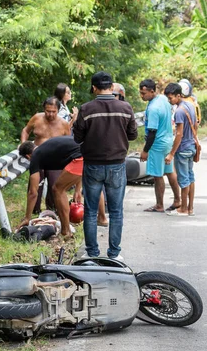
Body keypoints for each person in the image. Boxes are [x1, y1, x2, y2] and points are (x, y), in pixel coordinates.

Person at [73, 71, 138, 261]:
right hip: (117, 165)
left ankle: (92, 253)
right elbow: (133, 135)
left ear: (94, 88)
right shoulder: (125, 108)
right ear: (112, 87)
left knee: (91, 211)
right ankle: (114, 254)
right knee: (116, 211)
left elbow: (77, 138)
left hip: (92, 165)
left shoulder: (86, 109)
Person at [17, 137, 107, 236]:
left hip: (81, 157)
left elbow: (33, 193)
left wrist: (27, 217)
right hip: (93, 152)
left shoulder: (35, 156)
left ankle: (66, 231)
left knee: (58, 189)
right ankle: (102, 218)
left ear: (28, 156)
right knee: (94, 184)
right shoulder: (46, 147)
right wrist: (77, 189)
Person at [20, 97, 71, 212]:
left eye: (54, 111)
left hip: (55, 160)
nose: (50, 114)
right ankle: (34, 210)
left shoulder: (64, 124)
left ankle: (52, 210)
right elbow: (25, 130)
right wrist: (24, 144)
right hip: (38, 158)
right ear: (44, 109)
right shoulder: (37, 118)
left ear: (58, 111)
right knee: (35, 186)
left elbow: (69, 143)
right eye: (48, 111)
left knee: (55, 186)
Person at [138, 79, 181, 213]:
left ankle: (159, 205)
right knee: (169, 171)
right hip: (168, 140)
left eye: (144, 93)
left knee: (157, 175)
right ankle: (177, 200)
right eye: (140, 93)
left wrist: (145, 151)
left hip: (157, 144)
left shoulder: (153, 108)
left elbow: (152, 132)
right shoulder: (163, 99)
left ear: (152, 91)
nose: (142, 96)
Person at [163, 83, 197, 217]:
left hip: (182, 149)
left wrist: (171, 154)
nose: (169, 101)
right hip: (191, 146)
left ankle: (183, 209)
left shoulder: (179, 112)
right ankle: (190, 208)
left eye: (171, 98)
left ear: (178, 95)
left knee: (183, 180)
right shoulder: (190, 105)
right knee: (190, 177)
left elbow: (179, 134)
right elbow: (196, 125)